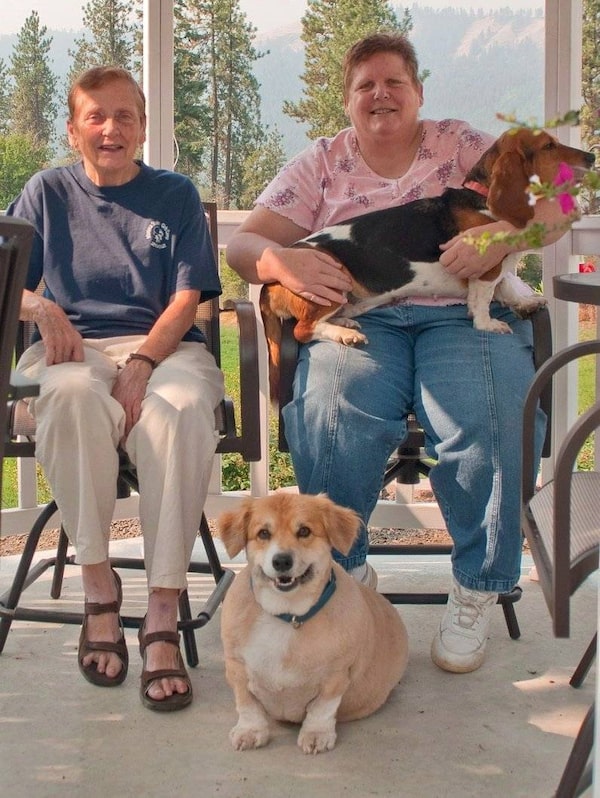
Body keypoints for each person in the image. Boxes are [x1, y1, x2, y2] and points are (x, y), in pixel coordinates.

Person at [226, 33, 569, 674]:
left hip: (461, 316)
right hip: (362, 318)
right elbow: (242, 246)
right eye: (366, 85)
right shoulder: (319, 163)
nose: (380, 94)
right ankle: (345, 572)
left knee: (491, 414)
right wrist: (282, 262)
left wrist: (503, 238)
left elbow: (560, 201)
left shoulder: (462, 144)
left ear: (418, 92)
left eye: (394, 82)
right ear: (348, 99)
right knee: (331, 409)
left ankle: (477, 587)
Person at [7, 66, 224, 709]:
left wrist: (144, 362)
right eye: (96, 117)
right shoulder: (46, 192)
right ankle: (99, 589)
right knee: (70, 396)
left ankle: (162, 609)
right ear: (73, 130)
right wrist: (42, 308)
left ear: (144, 127)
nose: (111, 129)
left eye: (125, 116)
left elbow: (187, 299)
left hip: (164, 345)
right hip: (72, 347)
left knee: (182, 409)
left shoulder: (175, 194)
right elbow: (6, 279)